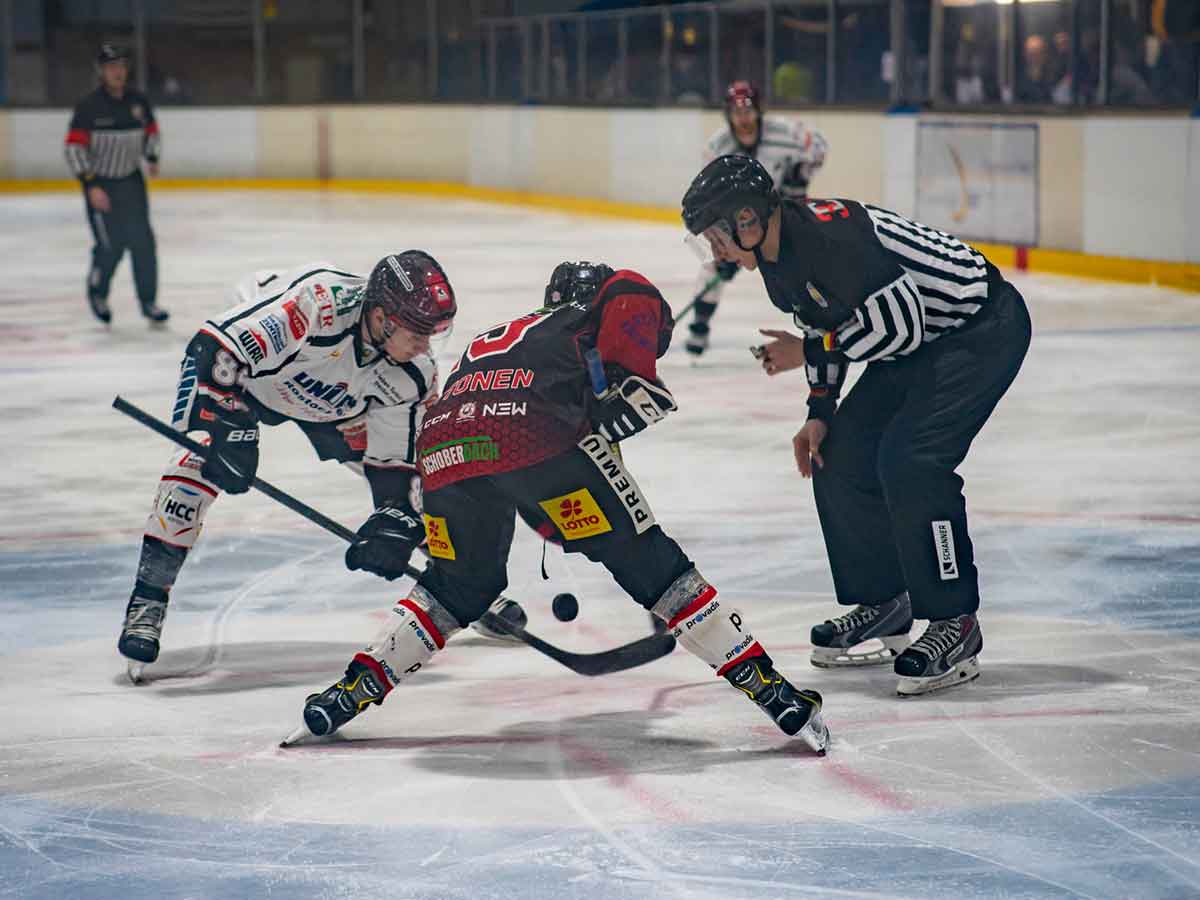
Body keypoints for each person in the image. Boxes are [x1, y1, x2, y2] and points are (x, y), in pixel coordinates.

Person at [295, 262, 830, 753]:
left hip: (442, 449)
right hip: (531, 434)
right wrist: (633, 374)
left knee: (455, 587)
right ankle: (773, 692)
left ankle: (351, 690)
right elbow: (632, 290)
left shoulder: (498, 341)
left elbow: (526, 483)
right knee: (656, 568)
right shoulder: (586, 314)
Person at [681, 156, 1031, 696]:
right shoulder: (777, 263)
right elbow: (836, 328)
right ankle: (887, 601)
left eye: (716, 235)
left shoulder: (834, 240)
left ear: (747, 221)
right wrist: (820, 412)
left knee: (912, 461)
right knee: (838, 457)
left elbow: (901, 328)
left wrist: (806, 351)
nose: (715, 249)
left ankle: (955, 620)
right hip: (922, 343)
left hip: (979, 330)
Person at [117, 252, 473, 672]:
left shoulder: (412, 371)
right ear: (382, 318)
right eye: (418, 333)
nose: (425, 345)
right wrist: (221, 425)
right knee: (193, 468)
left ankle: (461, 582)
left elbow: (395, 464)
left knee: (427, 492)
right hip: (252, 382)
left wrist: (394, 517)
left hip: (335, 405)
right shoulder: (317, 302)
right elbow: (213, 349)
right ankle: (149, 597)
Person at [684, 80, 827, 358]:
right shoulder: (717, 147)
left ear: (759, 111)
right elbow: (712, 196)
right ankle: (700, 324)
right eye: (737, 113)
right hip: (742, 219)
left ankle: (822, 323)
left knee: (802, 266)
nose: (744, 119)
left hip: (783, 215)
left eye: (748, 111)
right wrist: (726, 246)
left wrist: (801, 173)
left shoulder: (786, 132)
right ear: (728, 115)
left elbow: (819, 148)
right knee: (714, 266)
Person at [63, 44, 167, 326]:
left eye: (121, 66)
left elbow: (152, 132)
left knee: (143, 243)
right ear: (101, 72)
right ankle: (97, 293)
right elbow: (74, 149)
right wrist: (91, 184)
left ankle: (148, 302)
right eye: (111, 67)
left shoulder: (138, 101)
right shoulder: (89, 107)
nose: (117, 72)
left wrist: (152, 156)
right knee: (111, 246)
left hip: (132, 182)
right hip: (101, 185)